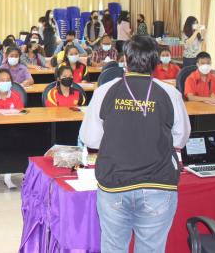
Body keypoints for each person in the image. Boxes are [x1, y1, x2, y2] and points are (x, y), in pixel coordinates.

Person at [79, 35, 191, 253]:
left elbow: (90, 138)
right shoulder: (170, 93)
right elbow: (180, 139)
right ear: (155, 61)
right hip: (158, 185)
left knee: (114, 248)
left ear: (125, 59)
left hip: (114, 183)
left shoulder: (104, 91)